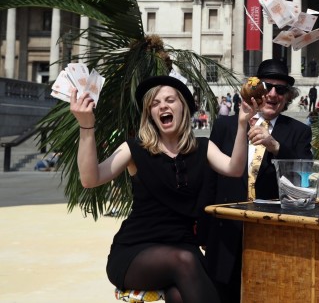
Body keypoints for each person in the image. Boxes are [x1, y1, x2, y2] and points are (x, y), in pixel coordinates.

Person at [69, 75, 249, 302]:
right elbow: (90, 179)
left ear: (183, 107)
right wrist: (86, 126)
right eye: (155, 103)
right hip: (136, 252)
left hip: (184, 249)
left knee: (179, 294)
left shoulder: (203, 147)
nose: (163, 105)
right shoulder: (134, 148)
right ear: (150, 115)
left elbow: (234, 168)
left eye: (170, 100)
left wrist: (242, 124)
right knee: (184, 261)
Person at [203, 59, 312, 302]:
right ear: (256, 90)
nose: (273, 94)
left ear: (287, 96)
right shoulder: (225, 126)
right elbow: (210, 180)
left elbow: (306, 178)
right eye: (267, 87)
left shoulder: (298, 132)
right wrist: (203, 228)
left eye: (281, 90)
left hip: (272, 233)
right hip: (226, 232)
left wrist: (276, 147)